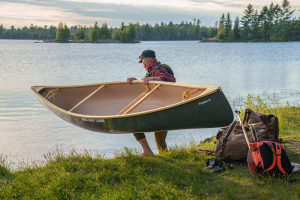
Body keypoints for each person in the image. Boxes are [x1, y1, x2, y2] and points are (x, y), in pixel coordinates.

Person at [127, 50, 176, 156]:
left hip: (163, 109)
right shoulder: (152, 71)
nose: (142, 65)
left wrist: (151, 78)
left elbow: (171, 79)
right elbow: (147, 84)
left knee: (133, 123)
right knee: (160, 140)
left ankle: (148, 152)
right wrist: (135, 81)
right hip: (164, 108)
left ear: (145, 60)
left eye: (142, 62)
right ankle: (163, 158)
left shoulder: (158, 69)